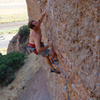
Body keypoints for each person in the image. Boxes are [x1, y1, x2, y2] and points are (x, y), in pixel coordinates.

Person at [27, 10, 60, 74]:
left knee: (46, 56)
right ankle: (52, 61)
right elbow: (39, 49)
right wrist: (48, 45)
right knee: (52, 53)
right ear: (34, 27)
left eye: (36, 21)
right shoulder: (36, 36)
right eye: (36, 23)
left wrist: (43, 14)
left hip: (37, 44)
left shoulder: (36, 26)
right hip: (36, 48)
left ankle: (52, 69)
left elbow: (39, 21)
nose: (38, 22)